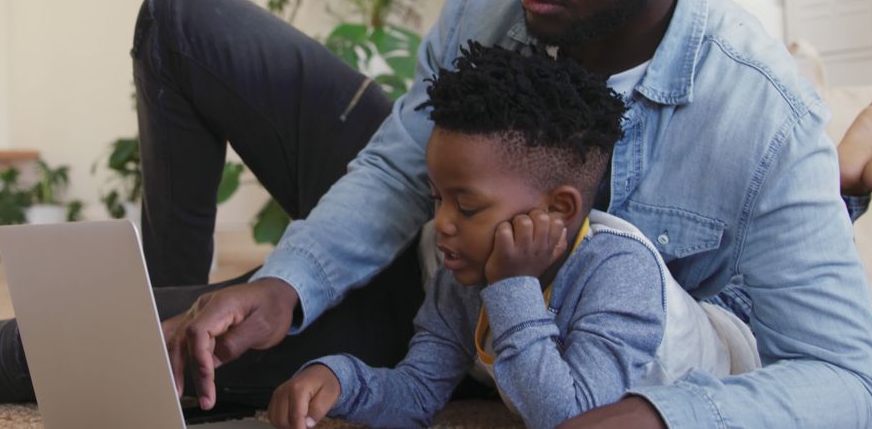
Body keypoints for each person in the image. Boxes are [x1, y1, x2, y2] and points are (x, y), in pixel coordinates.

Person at [0, 0, 872, 426]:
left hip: (457, 334)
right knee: (182, 19)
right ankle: (180, 322)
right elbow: (394, 163)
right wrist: (285, 282)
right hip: (432, 241)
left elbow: (849, 381)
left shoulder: (763, 122)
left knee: (47, 358)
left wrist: (656, 414)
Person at [267, 44, 760, 429]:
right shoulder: (463, 272)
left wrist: (511, 288)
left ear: (559, 209)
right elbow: (418, 394)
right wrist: (340, 380)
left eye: (469, 205)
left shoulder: (618, 274)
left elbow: (572, 420)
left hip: (737, 353)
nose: (442, 223)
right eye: (438, 198)